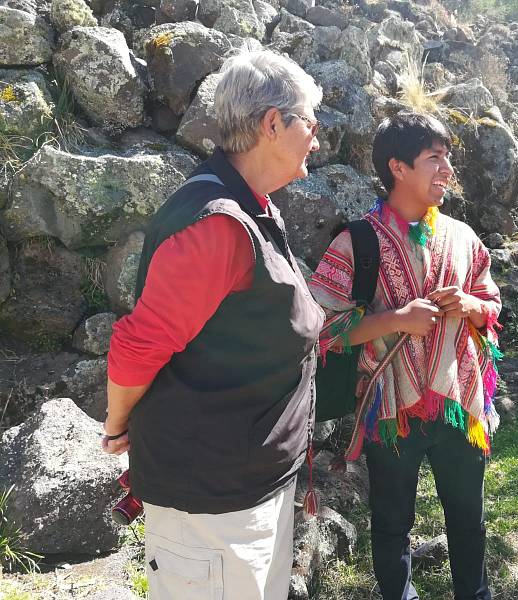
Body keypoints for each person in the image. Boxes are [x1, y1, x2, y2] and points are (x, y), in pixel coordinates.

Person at [100, 50, 325, 600]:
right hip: (212, 505)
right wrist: (118, 423)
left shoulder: (253, 207)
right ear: (274, 123)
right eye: (311, 123)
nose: (317, 139)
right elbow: (138, 346)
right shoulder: (219, 224)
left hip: (246, 487)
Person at [309, 112, 502, 600]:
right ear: (397, 167)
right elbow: (321, 327)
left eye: (448, 158)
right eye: (434, 159)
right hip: (389, 411)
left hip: (461, 406)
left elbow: (490, 304)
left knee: (468, 518)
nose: (447, 169)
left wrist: (474, 306)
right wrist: (395, 319)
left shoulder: (464, 237)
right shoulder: (357, 242)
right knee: (392, 520)